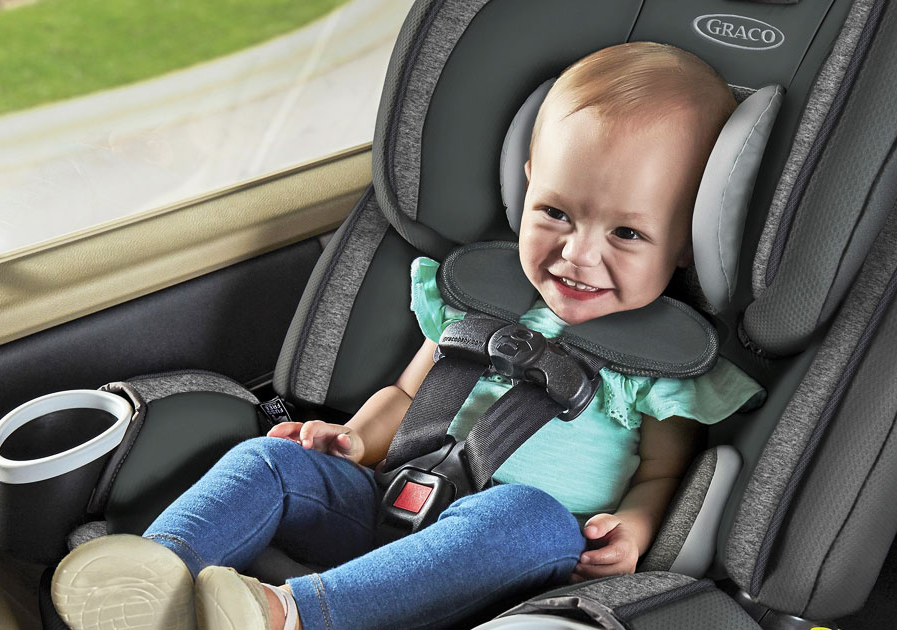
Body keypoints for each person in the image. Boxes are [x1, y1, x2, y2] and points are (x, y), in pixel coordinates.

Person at [50, 41, 763, 630]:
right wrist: (355, 439)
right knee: (268, 461)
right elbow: (405, 393)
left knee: (525, 514)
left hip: (513, 554)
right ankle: (149, 579)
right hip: (394, 497)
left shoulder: (663, 360)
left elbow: (663, 473)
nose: (576, 255)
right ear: (526, 185)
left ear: (687, 240)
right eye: (555, 212)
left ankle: (287, 616)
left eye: (627, 232)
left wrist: (633, 532)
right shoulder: (473, 298)